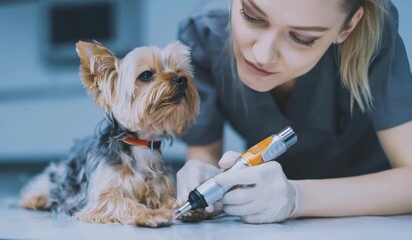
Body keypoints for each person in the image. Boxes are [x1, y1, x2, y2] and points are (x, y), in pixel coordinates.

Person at [175, 0, 412, 224]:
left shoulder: (374, 38)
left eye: (302, 38)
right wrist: (208, 181)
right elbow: (203, 151)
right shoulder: (205, 32)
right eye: (251, 15)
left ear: (348, 26)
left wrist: (298, 198)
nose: (262, 55)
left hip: (374, 217)